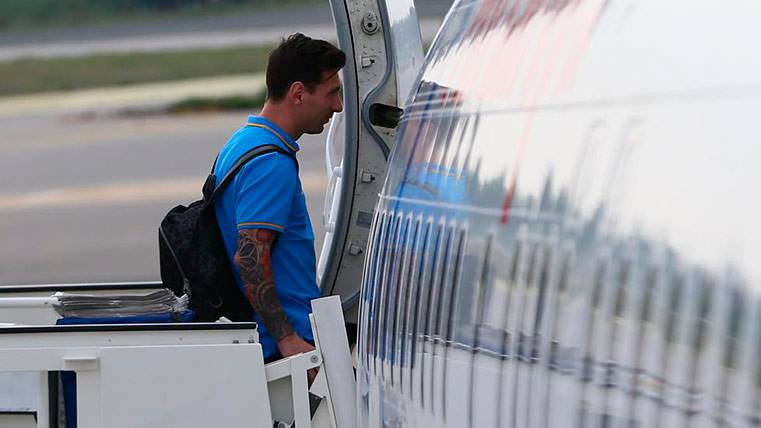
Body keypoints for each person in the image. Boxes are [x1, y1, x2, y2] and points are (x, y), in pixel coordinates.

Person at [212, 33, 345, 380]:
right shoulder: (271, 162)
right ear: (298, 93)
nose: (338, 107)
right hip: (287, 352)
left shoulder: (242, 142)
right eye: (332, 93)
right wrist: (288, 340)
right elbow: (250, 256)